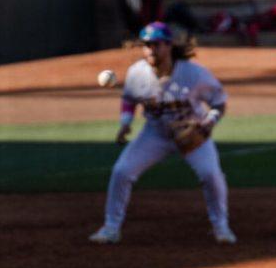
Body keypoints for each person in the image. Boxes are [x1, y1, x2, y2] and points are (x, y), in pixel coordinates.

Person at [89, 21, 236, 246]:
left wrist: (207, 125)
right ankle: (111, 228)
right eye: (146, 45)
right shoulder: (137, 73)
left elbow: (219, 103)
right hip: (155, 134)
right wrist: (126, 123)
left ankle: (221, 227)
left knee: (210, 175)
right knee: (122, 171)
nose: (150, 50)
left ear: (168, 46)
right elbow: (129, 99)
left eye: (156, 44)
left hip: (193, 133)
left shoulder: (193, 73)